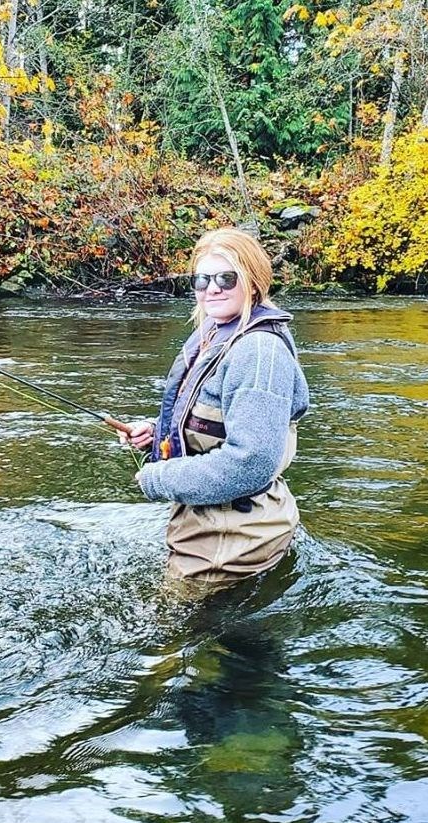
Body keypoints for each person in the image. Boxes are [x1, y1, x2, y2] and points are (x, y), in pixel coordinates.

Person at [118, 228, 311, 583]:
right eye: (201, 279)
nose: (212, 288)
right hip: (217, 531)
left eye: (226, 277)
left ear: (253, 283)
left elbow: (251, 462)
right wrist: (158, 433)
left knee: (170, 635)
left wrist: (158, 478)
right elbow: (216, 421)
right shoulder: (217, 333)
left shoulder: (258, 352)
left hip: (234, 543)